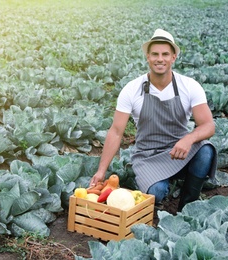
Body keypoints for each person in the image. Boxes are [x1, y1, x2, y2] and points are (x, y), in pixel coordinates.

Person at [89, 29, 217, 211]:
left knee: (205, 150)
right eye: (155, 54)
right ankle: (160, 182)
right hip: (147, 156)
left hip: (178, 150)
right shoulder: (132, 89)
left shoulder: (189, 86)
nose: (160, 59)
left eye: (165, 54)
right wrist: (101, 172)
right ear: (147, 57)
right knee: (155, 192)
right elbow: (116, 132)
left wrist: (188, 139)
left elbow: (208, 125)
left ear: (173, 57)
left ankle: (187, 207)